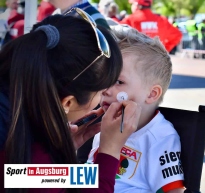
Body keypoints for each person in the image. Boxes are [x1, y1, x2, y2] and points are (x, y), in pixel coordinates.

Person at [0, 10, 141, 193]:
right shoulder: (28, 156)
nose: (106, 95)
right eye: (100, 91)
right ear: (67, 103)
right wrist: (110, 150)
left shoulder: (11, 115)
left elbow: (25, 175)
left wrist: (58, 149)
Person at [87, 25, 185, 193]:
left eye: (119, 82)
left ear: (152, 94)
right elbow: (89, 176)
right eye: (104, 78)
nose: (105, 89)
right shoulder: (105, 123)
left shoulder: (161, 137)